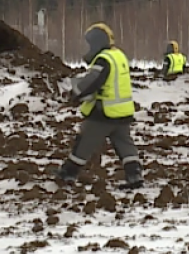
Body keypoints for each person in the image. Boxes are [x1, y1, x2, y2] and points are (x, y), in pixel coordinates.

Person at [56, 22, 145, 191]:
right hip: (123, 112)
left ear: (96, 43)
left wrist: (76, 94)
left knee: (84, 142)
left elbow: (93, 80)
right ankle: (134, 174)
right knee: (125, 144)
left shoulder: (104, 59)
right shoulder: (118, 55)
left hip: (104, 113)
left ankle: (68, 172)